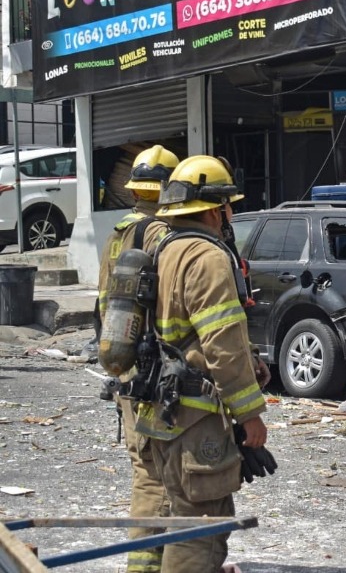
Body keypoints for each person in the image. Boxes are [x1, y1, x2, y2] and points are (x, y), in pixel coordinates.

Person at [134, 155, 270, 573]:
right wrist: (251, 415)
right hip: (196, 419)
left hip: (159, 411)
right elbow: (222, 343)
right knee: (201, 528)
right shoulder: (207, 258)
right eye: (228, 205)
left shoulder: (162, 249)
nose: (230, 215)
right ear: (214, 210)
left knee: (175, 515)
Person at [95, 144, 179, 573]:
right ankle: (146, 565)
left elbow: (104, 304)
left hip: (125, 367)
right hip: (153, 370)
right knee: (155, 472)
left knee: (141, 464)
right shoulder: (162, 235)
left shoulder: (117, 234)